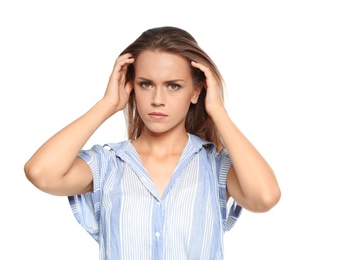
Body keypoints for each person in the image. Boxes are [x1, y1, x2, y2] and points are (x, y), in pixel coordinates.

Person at [24, 26, 281, 259]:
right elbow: (41, 173)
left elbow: (265, 197)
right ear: (131, 86)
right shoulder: (108, 164)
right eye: (146, 84)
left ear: (195, 90)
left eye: (173, 86)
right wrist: (107, 105)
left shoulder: (215, 166)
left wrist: (217, 111)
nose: (157, 99)